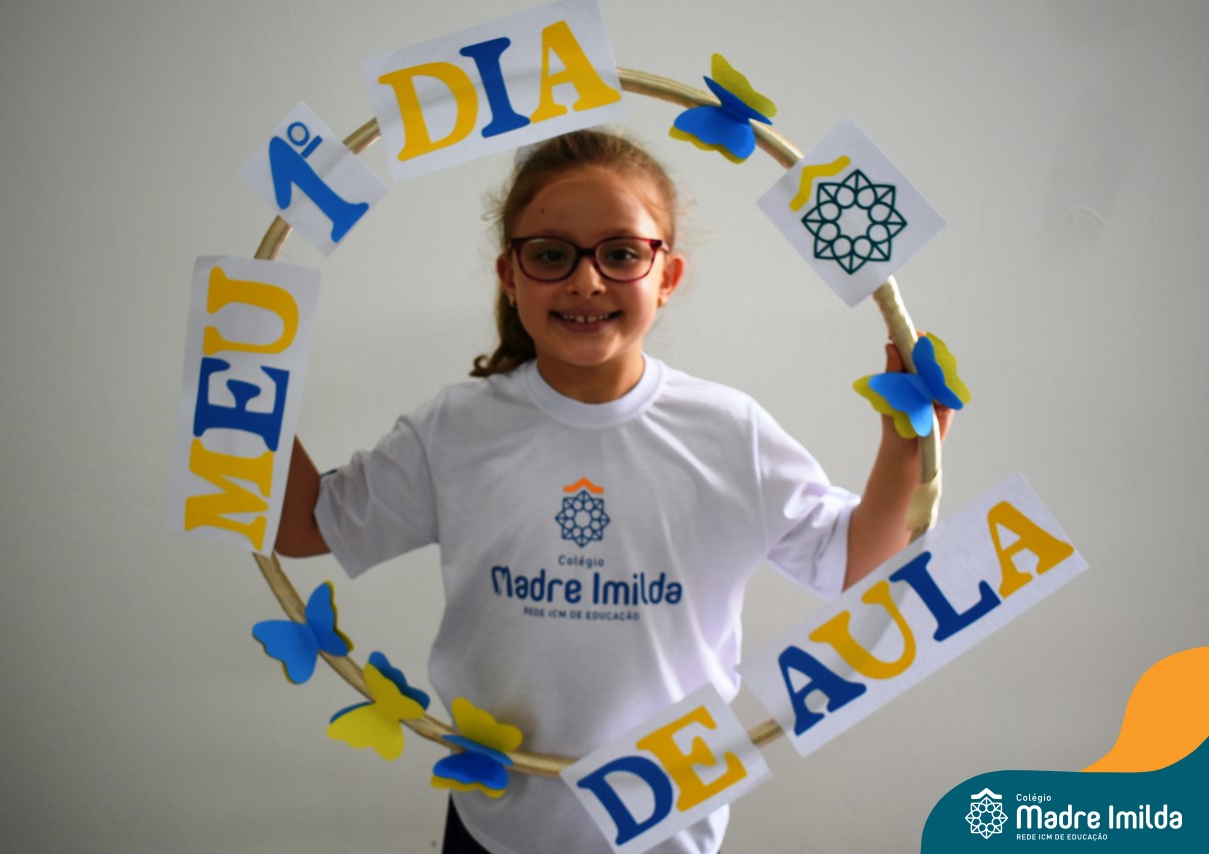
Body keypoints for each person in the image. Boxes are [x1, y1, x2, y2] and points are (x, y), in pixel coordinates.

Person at [275, 129, 952, 854]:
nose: (587, 281)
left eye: (622, 254)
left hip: (666, 829)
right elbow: (307, 527)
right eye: (550, 255)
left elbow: (855, 563)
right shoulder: (455, 430)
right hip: (496, 826)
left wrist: (909, 444)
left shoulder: (729, 434)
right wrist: (251, 385)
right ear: (510, 275)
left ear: (668, 275)